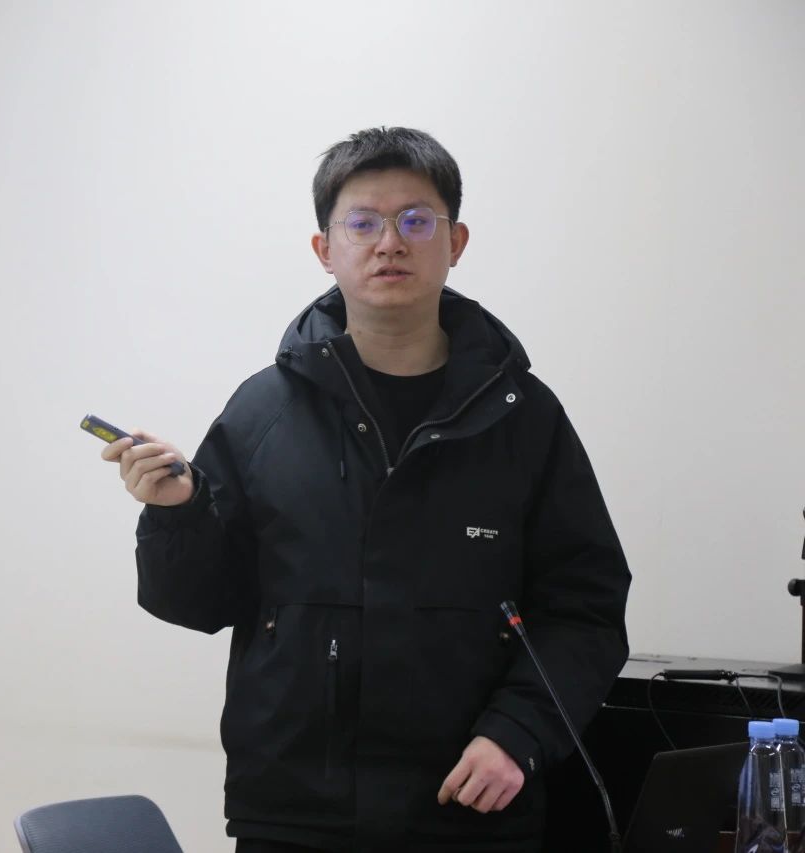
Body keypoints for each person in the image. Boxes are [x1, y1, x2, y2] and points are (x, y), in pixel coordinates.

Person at [100, 127, 631, 852]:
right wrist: (177, 515)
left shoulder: (524, 418)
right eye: (363, 223)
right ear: (325, 248)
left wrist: (518, 734)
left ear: (456, 241)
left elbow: (585, 610)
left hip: (471, 811)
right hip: (296, 815)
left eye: (416, 220)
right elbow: (197, 604)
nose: (390, 243)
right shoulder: (263, 412)